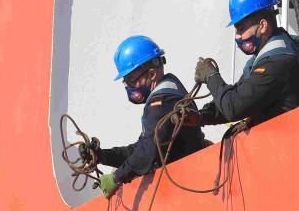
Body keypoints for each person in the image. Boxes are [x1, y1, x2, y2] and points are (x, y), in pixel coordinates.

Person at [83, 36, 208, 198]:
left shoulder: (161, 103)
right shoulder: (171, 91)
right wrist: (103, 156)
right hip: (190, 178)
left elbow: (148, 151)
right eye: (125, 81)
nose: (128, 87)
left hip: (186, 186)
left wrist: (117, 177)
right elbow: (141, 148)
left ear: (151, 74)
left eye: (131, 80)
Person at [192, 0, 299, 127]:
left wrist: (211, 77)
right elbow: (241, 97)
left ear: (263, 25)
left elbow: (234, 107)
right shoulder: (267, 58)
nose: (238, 37)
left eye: (241, 29)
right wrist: (201, 116)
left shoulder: (278, 63)